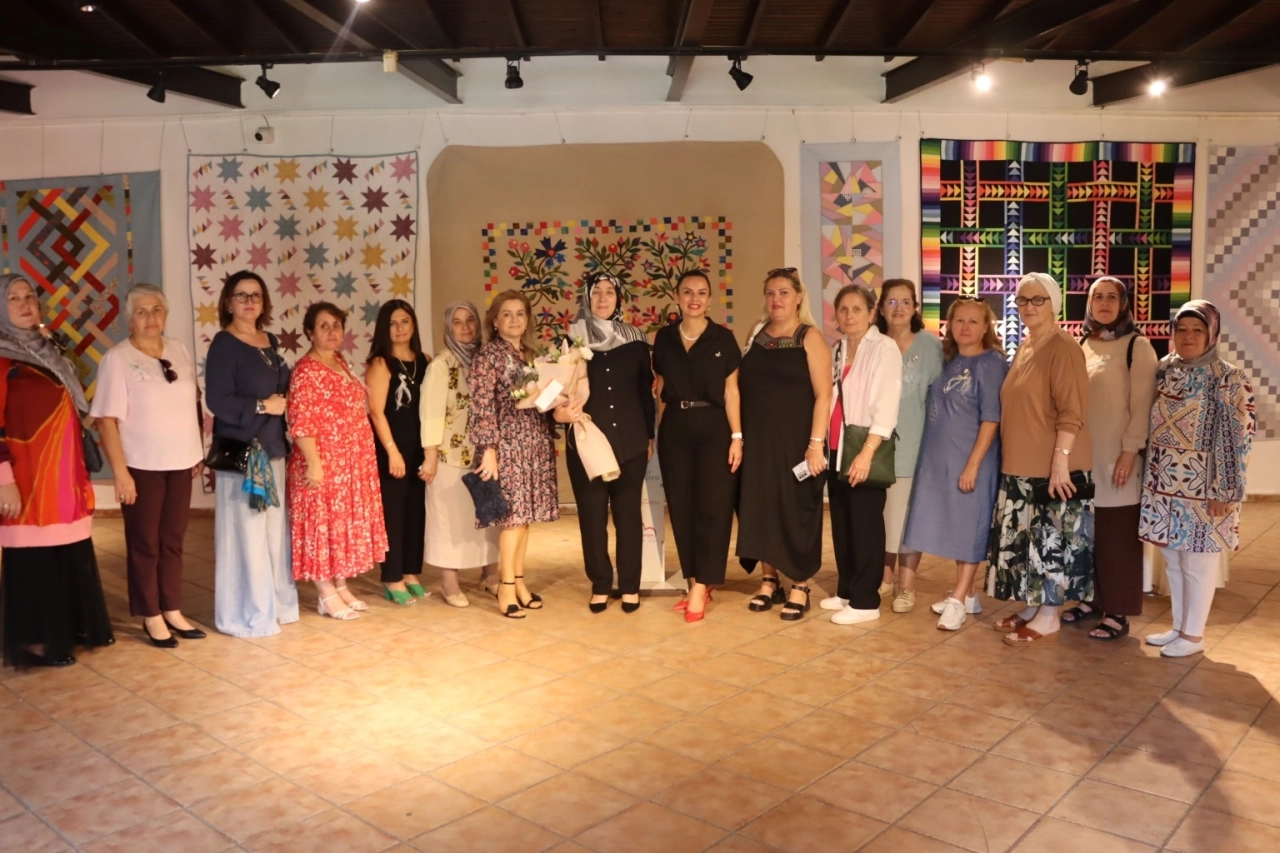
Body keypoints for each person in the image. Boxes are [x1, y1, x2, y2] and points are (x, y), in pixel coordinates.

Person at [0, 274, 114, 668]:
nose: (24, 304)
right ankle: (35, 640)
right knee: (32, 556)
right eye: (13, 298)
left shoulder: (50, 350)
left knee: (67, 549)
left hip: (63, 473)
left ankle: (69, 628)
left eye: (29, 296)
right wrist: (4, 481)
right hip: (26, 478)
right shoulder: (2, 358)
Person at [92, 283, 206, 648]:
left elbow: (192, 402)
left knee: (173, 538)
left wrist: (196, 449)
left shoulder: (179, 349)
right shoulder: (117, 359)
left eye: (156, 310)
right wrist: (120, 473)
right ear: (130, 319)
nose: (150, 317)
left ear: (165, 314)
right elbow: (106, 420)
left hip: (181, 461)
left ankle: (171, 607)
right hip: (141, 465)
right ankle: (150, 614)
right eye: (141, 312)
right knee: (145, 541)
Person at [1141, 300, 1255, 658]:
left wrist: (1225, 490)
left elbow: (1237, 437)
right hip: (1164, 483)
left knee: (1198, 561)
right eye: (1182, 329)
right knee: (1174, 560)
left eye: (1197, 330)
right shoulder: (1165, 369)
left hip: (1205, 487)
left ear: (1212, 334)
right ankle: (1179, 627)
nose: (1188, 336)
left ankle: (1194, 637)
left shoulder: (1228, 377)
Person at [989, 272, 1094, 646]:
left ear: (1054, 304)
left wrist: (1060, 461)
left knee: (1051, 544)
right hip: (1021, 468)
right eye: (1022, 300)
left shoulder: (1063, 347)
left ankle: (1050, 616)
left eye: (1038, 299)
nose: (1029, 306)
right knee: (1029, 547)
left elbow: (1072, 411)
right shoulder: (1027, 345)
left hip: (1052, 469)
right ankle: (1034, 607)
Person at [901, 297, 1008, 630]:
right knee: (952, 525)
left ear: (986, 327)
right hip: (940, 459)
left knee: (969, 527)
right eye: (959, 320)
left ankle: (958, 600)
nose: (965, 327)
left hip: (971, 458)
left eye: (973, 321)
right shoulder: (950, 359)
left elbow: (991, 418)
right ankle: (969, 594)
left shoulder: (992, 363)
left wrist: (973, 464)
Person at [470, 290, 575, 619]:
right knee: (512, 521)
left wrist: (560, 403)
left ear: (527, 319)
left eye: (520, 313)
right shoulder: (488, 356)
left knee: (524, 520)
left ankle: (519, 583)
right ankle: (504, 587)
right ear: (495, 321)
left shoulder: (533, 356)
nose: (514, 319)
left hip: (534, 444)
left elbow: (542, 401)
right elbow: (481, 406)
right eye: (507, 314)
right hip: (506, 447)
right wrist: (488, 450)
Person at [205, 270, 298, 638]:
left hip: (273, 450)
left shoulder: (269, 341)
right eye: (241, 295)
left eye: (255, 295)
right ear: (229, 302)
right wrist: (262, 405)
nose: (249, 301)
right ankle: (247, 613)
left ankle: (277, 606)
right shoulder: (223, 344)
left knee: (274, 534)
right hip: (243, 455)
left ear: (264, 303)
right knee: (246, 536)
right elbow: (217, 401)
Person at [737, 268, 832, 621]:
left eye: (784, 293)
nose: (776, 299)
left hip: (797, 443)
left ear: (798, 297)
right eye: (771, 293)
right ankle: (769, 580)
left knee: (796, 509)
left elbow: (824, 395)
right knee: (761, 507)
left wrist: (815, 444)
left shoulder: (810, 337)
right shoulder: (757, 333)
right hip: (759, 441)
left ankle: (800, 584)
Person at [287, 302, 389, 620]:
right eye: (323, 326)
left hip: (349, 464)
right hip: (324, 463)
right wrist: (314, 463)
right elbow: (301, 420)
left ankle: (341, 585)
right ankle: (326, 593)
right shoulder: (306, 370)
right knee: (322, 527)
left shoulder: (340, 361)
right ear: (309, 332)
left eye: (336, 325)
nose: (332, 331)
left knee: (339, 526)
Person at [653, 271, 744, 623]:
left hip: (714, 429)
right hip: (675, 428)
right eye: (688, 292)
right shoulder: (664, 338)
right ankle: (695, 581)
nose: (694, 298)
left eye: (701, 292)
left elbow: (732, 391)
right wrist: (656, 433)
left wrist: (737, 437)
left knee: (714, 508)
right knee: (681, 508)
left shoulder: (724, 339)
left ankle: (701, 585)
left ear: (709, 299)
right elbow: (661, 389)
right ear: (677, 296)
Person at [1073, 277, 1158, 640]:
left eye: (1112, 297)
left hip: (1118, 457)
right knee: (1088, 533)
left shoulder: (1137, 346)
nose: (1104, 303)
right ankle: (1091, 600)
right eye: (1098, 297)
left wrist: (1129, 450)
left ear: (1123, 304)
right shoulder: (1082, 344)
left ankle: (1118, 610)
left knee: (1117, 536)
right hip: (1084, 458)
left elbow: (1143, 404)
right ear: (1089, 303)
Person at [565, 272, 655, 614]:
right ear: (587, 298)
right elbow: (559, 390)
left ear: (619, 298)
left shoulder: (635, 339)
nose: (603, 299)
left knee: (628, 517)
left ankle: (630, 586)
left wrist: (649, 435)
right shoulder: (571, 340)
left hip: (630, 441)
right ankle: (601, 584)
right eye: (596, 292)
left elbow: (645, 391)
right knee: (592, 519)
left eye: (609, 292)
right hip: (586, 443)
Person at [821, 284, 903, 626]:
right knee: (842, 523)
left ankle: (866, 601)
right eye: (843, 309)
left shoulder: (884, 348)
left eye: (857, 309)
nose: (849, 315)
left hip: (864, 448)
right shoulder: (838, 348)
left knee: (865, 525)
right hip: (836, 447)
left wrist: (867, 452)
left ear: (872, 313)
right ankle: (847, 590)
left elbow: (887, 405)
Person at [421, 302, 499, 606]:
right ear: (448, 327)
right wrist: (430, 456)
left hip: (484, 454)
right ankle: (449, 583)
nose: (465, 327)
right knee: (449, 521)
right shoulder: (441, 365)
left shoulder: (485, 359)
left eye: (470, 320)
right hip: (449, 457)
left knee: (488, 516)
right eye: (457, 322)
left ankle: (489, 575)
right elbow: (430, 414)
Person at [875, 279, 943, 613]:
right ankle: (885, 578)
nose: (898, 308)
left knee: (908, 519)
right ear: (881, 308)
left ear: (916, 307)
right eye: (891, 301)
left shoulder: (931, 346)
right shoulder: (873, 343)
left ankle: (906, 586)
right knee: (882, 517)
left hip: (916, 446)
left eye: (905, 302)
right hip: (875, 448)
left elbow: (940, 400)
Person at [366, 300, 430, 606]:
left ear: (414, 325)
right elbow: (376, 412)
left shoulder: (425, 360)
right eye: (392, 323)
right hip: (391, 447)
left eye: (405, 321)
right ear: (384, 328)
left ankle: (410, 571)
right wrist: (392, 451)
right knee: (393, 513)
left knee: (416, 511)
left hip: (420, 448)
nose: (400, 328)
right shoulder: (381, 363)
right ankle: (392, 577)